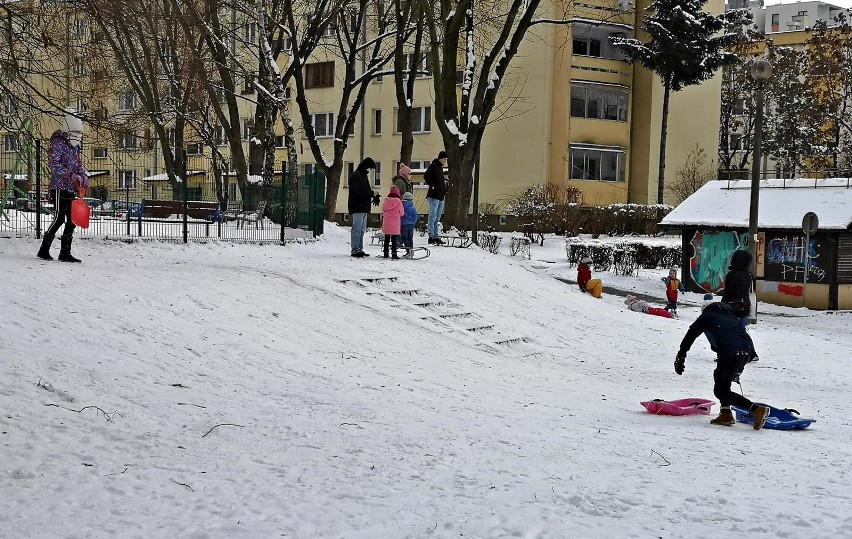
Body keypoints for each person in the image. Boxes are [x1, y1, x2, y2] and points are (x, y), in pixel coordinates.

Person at [674, 301, 770, 429]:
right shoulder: (732, 318)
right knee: (718, 375)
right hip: (746, 351)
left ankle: (756, 410)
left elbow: (691, 333)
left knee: (721, 391)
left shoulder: (707, 316)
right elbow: (745, 337)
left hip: (730, 353)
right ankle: (726, 414)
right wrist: (740, 366)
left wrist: (681, 355)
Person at [37, 110, 90, 263]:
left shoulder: (75, 147)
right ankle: (44, 249)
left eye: (80, 133)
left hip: (72, 187)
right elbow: (54, 166)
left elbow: (78, 164)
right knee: (59, 217)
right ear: (68, 130)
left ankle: (65, 253)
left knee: (72, 220)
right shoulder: (57, 144)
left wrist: (83, 176)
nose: (78, 136)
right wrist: (72, 176)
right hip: (59, 187)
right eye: (76, 132)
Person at [348, 157, 377, 258]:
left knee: (362, 229)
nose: (370, 171)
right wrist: (371, 193)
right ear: (366, 166)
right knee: (357, 228)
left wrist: (373, 196)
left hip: (363, 206)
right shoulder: (357, 176)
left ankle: (359, 248)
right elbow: (359, 190)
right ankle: (355, 249)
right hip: (357, 205)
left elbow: (365, 190)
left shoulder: (363, 176)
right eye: (370, 168)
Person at [721, 249, 754, 328]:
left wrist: (723, 306)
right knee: (741, 332)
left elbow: (728, 293)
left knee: (731, 333)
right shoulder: (748, 275)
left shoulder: (731, 275)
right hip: (745, 307)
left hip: (732, 309)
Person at [424, 150, 448, 245]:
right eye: (444, 159)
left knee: (437, 217)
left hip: (440, 195)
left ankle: (436, 235)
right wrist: (432, 185)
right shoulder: (434, 166)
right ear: (441, 158)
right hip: (434, 195)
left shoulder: (440, 168)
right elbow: (426, 176)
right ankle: (431, 236)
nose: (445, 161)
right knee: (432, 216)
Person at [381, 185, 405, 259]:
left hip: (387, 223)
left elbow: (382, 210)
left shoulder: (385, 201)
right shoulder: (399, 202)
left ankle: (385, 253)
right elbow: (402, 213)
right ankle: (394, 253)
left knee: (386, 239)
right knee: (394, 239)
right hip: (395, 223)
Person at [400, 191, 418, 258]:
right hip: (411, 224)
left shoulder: (401, 206)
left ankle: (408, 251)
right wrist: (413, 222)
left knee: (405, 238)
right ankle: (411, 252)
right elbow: (415, 215)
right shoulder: (412, 207)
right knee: (410, 238)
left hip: (403, 224)